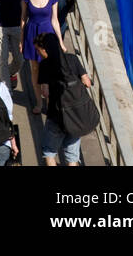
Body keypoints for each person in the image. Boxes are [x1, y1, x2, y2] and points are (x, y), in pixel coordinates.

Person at [36, 32, 95, 166]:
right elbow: (87, 82)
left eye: (38, 50)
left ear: (45, 49)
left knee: (49, 151)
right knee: (72, 155)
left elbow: (45, 92)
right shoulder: (73, 59)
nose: (38, 54)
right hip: (75, 115)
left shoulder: (45, 65)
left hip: (56, 116)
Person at [21, 0, 63, 113]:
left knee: (49, 70)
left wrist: (61, 42)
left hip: (47, 35)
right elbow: (23, 19)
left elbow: (55, 20)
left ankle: (50, 102)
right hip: (32, 33)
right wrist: (21, 40)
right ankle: (39, 102)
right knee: (35, 69)